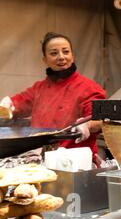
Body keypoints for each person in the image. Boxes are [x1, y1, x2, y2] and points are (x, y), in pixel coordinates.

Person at [0, 32, 106, 161]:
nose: (61, 57)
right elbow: (20, 102)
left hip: (74, 160)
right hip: (38, 158)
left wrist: (87, 125)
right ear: (45, 59)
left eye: (66, 52)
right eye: (54, 53)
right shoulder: (39, 87)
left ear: (72, 56)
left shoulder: (89, 87)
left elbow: (99, 118)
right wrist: (9, 104)